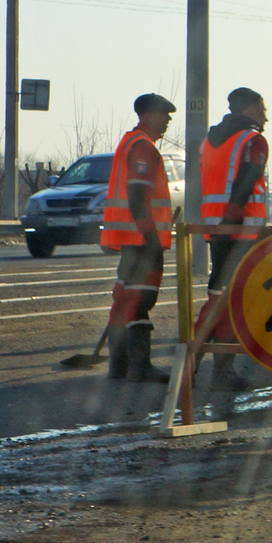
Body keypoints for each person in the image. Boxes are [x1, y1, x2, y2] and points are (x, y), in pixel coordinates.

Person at [99, 93, 178, 383]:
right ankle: (140, 367)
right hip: (142, 240)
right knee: (141, 300)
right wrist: (152, 238)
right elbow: (137, 197)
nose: (169, 120)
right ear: (149, 114)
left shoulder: (130, 142)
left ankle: (118, 367)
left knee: (126, 300)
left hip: (130, 239)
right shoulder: (143, 147)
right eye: (165, 114)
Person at [195, 87, 270, 392]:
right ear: (250, 108)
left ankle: (195, 363)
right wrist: (234, 219)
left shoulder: (211, 141)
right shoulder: (253, 140)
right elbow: (246, 181)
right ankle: (218, 372)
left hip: (217, 227)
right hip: (240, 229)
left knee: (218, 292)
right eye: (263, 108)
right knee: (230, 298)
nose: (266, 116)